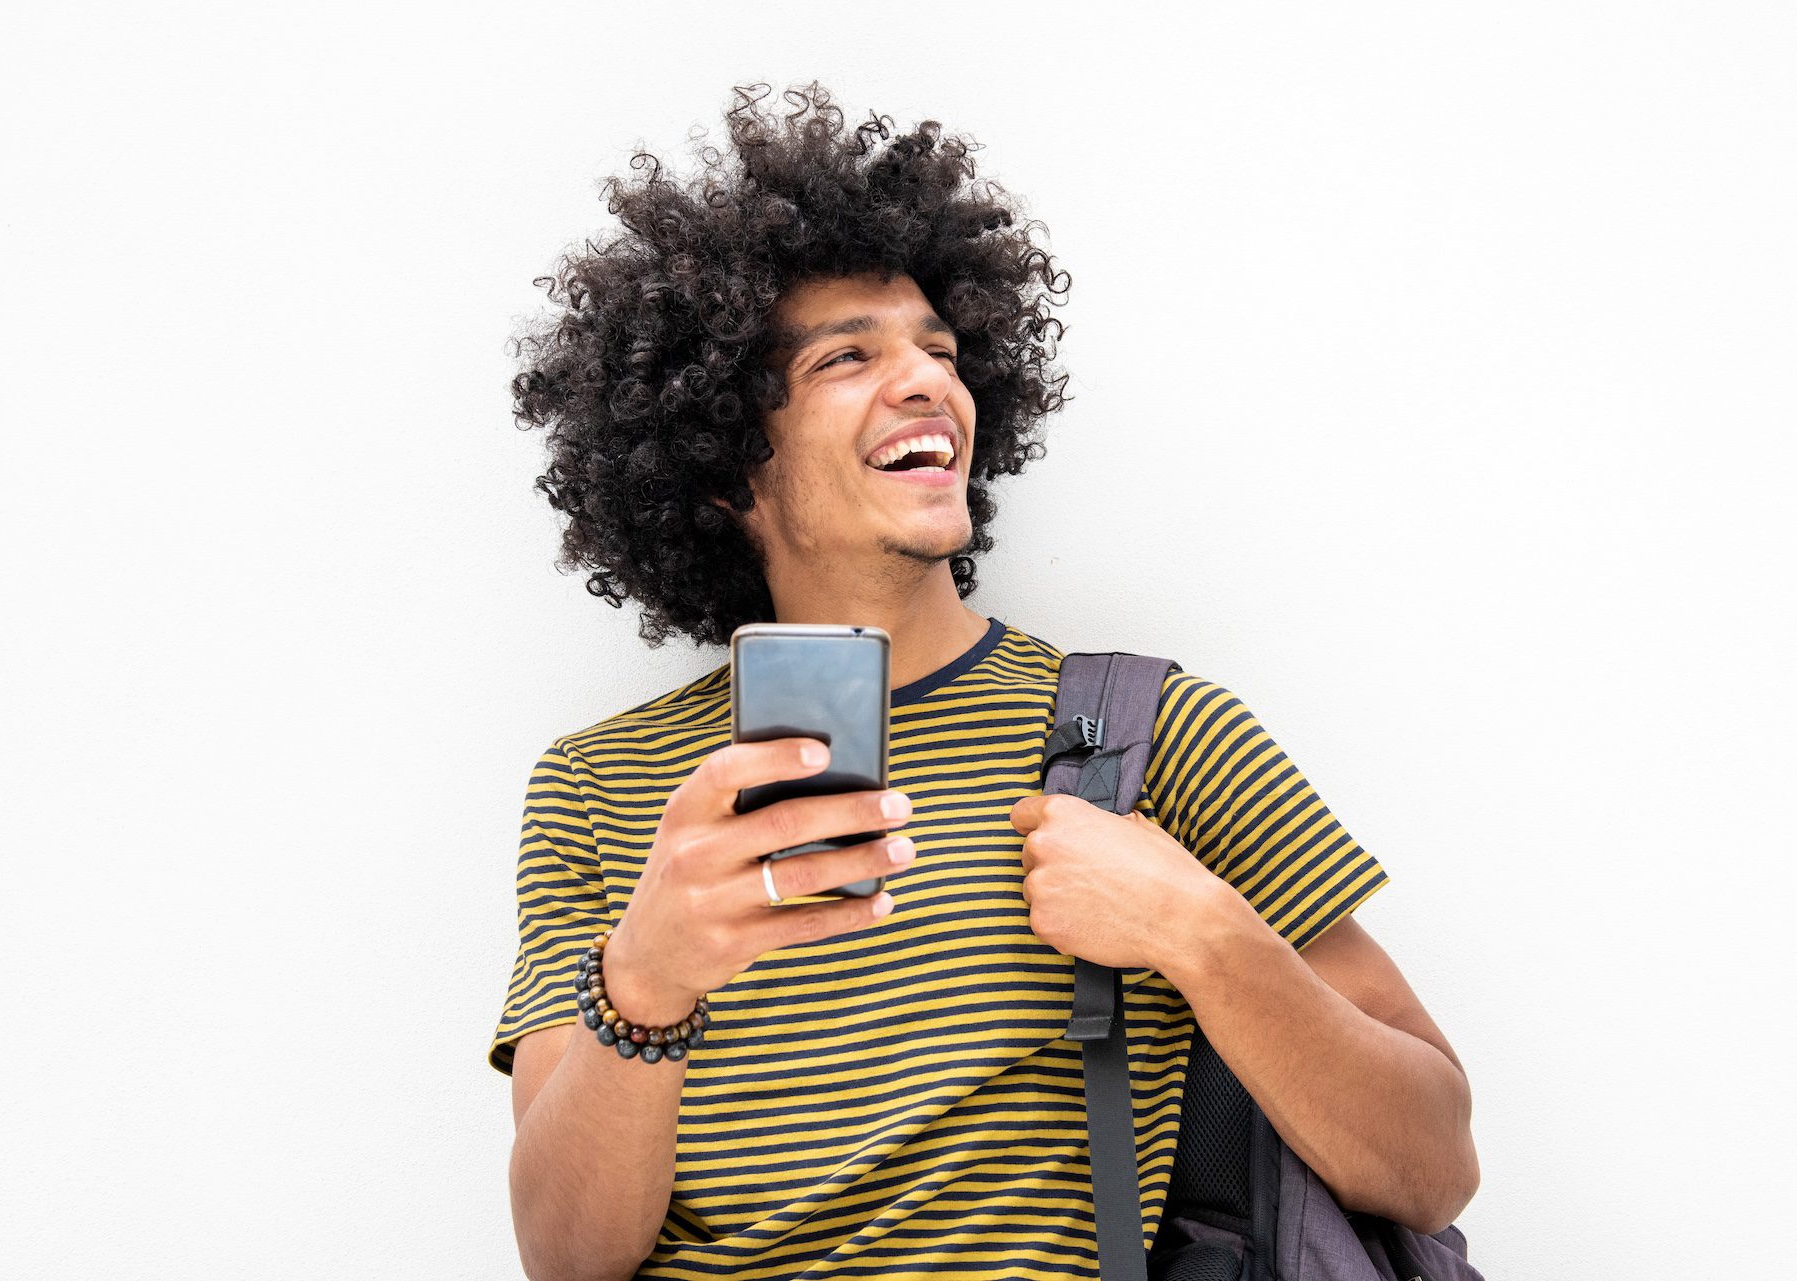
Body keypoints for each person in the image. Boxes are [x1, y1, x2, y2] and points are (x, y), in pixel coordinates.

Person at [488, 82, 1479, 1281]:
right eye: (847, 358)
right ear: (718, 468)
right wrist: (643, 982)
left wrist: (1200, 932)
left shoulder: (1155, 731)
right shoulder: (602, 785)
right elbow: (566, 1259)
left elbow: (1432, 1165)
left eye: (942, 353)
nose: (926, 383)